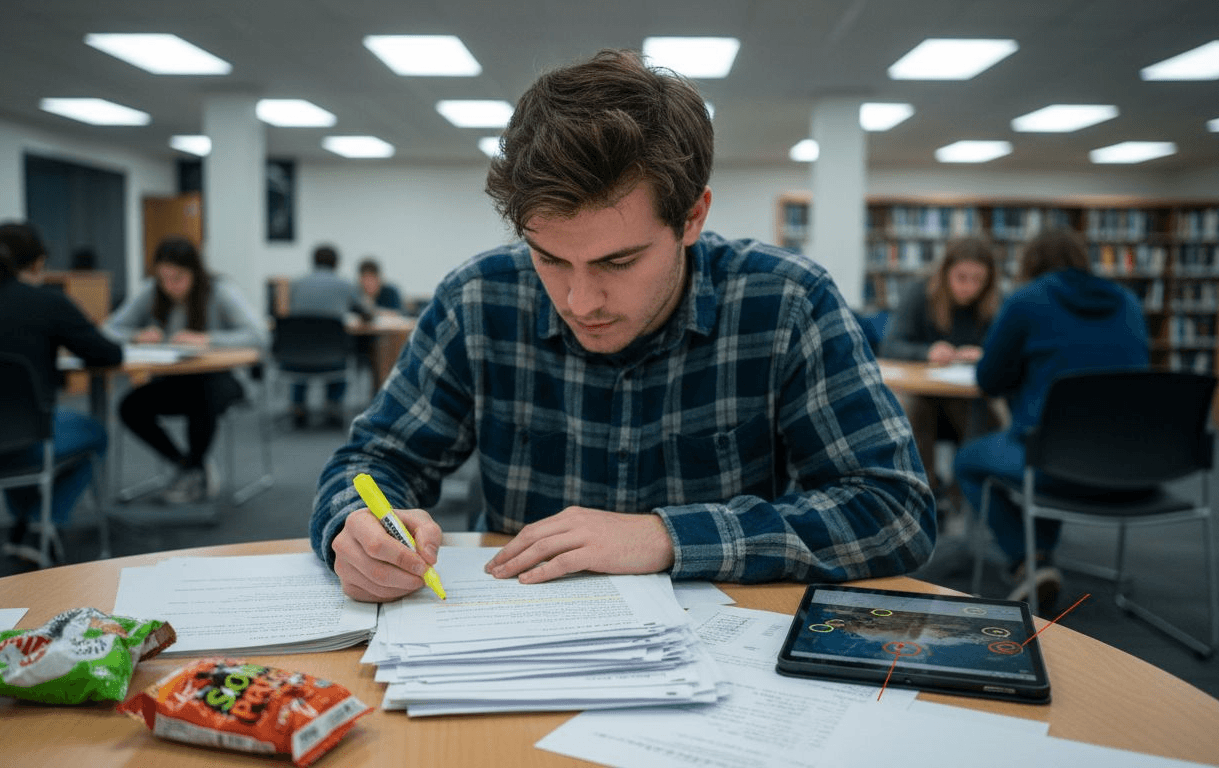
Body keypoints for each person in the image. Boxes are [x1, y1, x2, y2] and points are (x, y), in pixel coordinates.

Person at [310, 49, 935, 603]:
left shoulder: (787, 303)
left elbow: (893, 509)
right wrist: (357, 528)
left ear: (691, 218)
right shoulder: (478, 299)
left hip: (717, 669)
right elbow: (370, 461)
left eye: (619, 261)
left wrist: (667, 536)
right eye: (550, 258)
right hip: (512, 642)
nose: (580, 300)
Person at [954, 228, 1149, 613]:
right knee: (1049, 443)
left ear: (1031, 263)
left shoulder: (1027, 300)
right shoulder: (1129, 303)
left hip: (1056, 466)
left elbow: (988, 380)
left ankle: (1029, 561)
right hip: (1137, 467)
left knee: (969, 460)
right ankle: (1040, 551)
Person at [0, 221, 122, 564]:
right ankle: (43, 522)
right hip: (15, 445)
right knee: (93, 434)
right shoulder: (46, 303)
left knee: (7, 423)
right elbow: (108, 354)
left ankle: (27, 520)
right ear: (38, 263)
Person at [103, 236, 267, 504]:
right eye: (163, 278)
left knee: (202, 396)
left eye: (177, 278)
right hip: (175, 379)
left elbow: (259, 336)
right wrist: (137, 335)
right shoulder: (152, 292)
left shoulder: (219, 291)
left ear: (195, 272)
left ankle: (192, 470)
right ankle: (189, 466)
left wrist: (208, 339)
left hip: (224, 379)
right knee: (130, 406)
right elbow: (109, 329)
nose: (170, 286)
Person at [879, 236, 1001, 497]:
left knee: (976, 413)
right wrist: (928, 352)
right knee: (913, 408)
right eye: (961, 277)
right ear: (945, 272)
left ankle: (964, 497)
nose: (969, 287)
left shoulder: (994, 303)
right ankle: (926, 492)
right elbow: (890, 346)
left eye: (978, 279)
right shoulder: (919, 293)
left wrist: (984, 354)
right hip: (924, 396)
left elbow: (1005, 352)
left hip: (967, 399)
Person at [286, 244, 365, 428]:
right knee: (341, 350)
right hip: (333, 357)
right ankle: (333, 407)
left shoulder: (296, 283)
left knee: (303, 349)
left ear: (312, 262)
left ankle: (298, 408)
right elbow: (364, 312)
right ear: (336, 263)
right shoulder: (346, 284)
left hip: (295, 356)